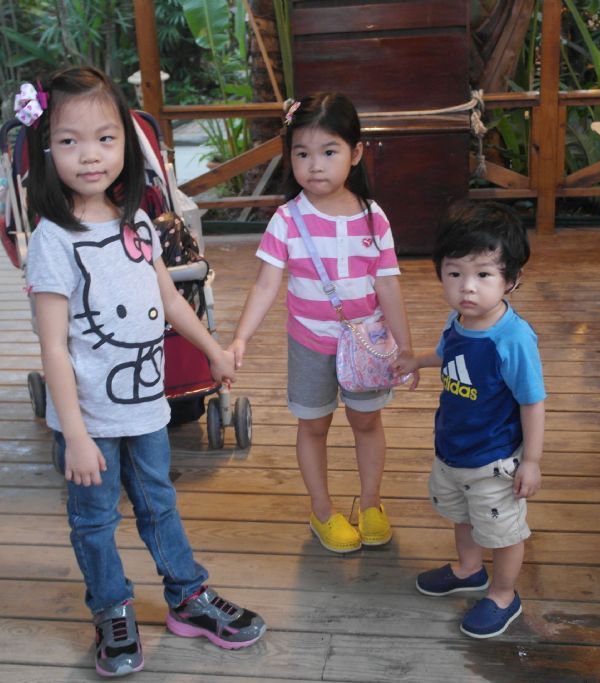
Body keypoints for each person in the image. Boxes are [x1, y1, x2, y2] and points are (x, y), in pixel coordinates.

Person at [22, 66, 265, 677]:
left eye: (105, 138)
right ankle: (112, 609)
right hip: (89, 422)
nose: (90, 155)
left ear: (126, 145)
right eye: (70, 141)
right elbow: (53, 347)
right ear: (46, 151)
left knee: (160, 503)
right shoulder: (52, 241)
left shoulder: (137, 223)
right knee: (95, 520)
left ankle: (188, 597)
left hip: (146, 406)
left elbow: (172, 300)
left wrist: (212, 351)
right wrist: (75, 434)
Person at [228, 92, 414, 554]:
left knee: (366, 421)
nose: (315, 166)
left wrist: (407, 348)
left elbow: (388, 286)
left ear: (356, 152)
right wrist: (240, 338)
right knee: (313, 425)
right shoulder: (287, 220)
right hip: (310, 343)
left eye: (329, 152)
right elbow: (266, 285)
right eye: (302, 153)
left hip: (367, 341)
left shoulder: (374, 218)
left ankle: (371, 503)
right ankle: (323, 510)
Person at [395, 200, 546, 639]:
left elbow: (533, 402)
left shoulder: (513, 338)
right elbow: (447, 354)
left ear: (511, 280)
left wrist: (531, 461)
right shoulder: (458, 321)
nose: (467, 287)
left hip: (494, 459)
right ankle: (468, 569)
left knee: (503, 531)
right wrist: (417, 360)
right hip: (453, 450)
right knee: (462, 516)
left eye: (483, 275)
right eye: (455, 273)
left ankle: (503, 593)